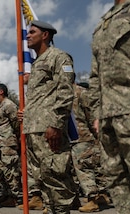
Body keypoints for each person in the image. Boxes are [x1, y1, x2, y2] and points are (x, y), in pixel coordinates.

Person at [18, 20, 76, 213]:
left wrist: (57, 124)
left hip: (48, 130)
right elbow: (43, 97)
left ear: (45, 35)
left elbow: (66, 91)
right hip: (33, 129)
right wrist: (26, 114)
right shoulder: (36, 65)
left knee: (56, 179)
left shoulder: (59, 57)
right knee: (42, 180)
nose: (27, 35)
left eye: (32, 32)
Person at [88, 1, 130, 213]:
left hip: (127, 107)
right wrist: (97, 113)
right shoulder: (103, 23)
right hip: (108, 115)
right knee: (116, 177)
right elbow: (95, 75)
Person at [71, 82, 110, 212]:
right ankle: (80, 199)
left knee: (85, 168)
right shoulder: (61, 93)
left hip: (84, 136)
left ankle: (93, 200)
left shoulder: (81, 92)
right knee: (75, 170)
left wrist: (96, 133)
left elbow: (92, 115)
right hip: (71, 138)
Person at [0, 83, 21, 207]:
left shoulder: (9, 105)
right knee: (1, 171)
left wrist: (15, 138)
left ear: (1, 92)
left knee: (10, 170)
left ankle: (14, 196)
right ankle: (5, 194)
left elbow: (16, 123)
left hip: (8, 143)